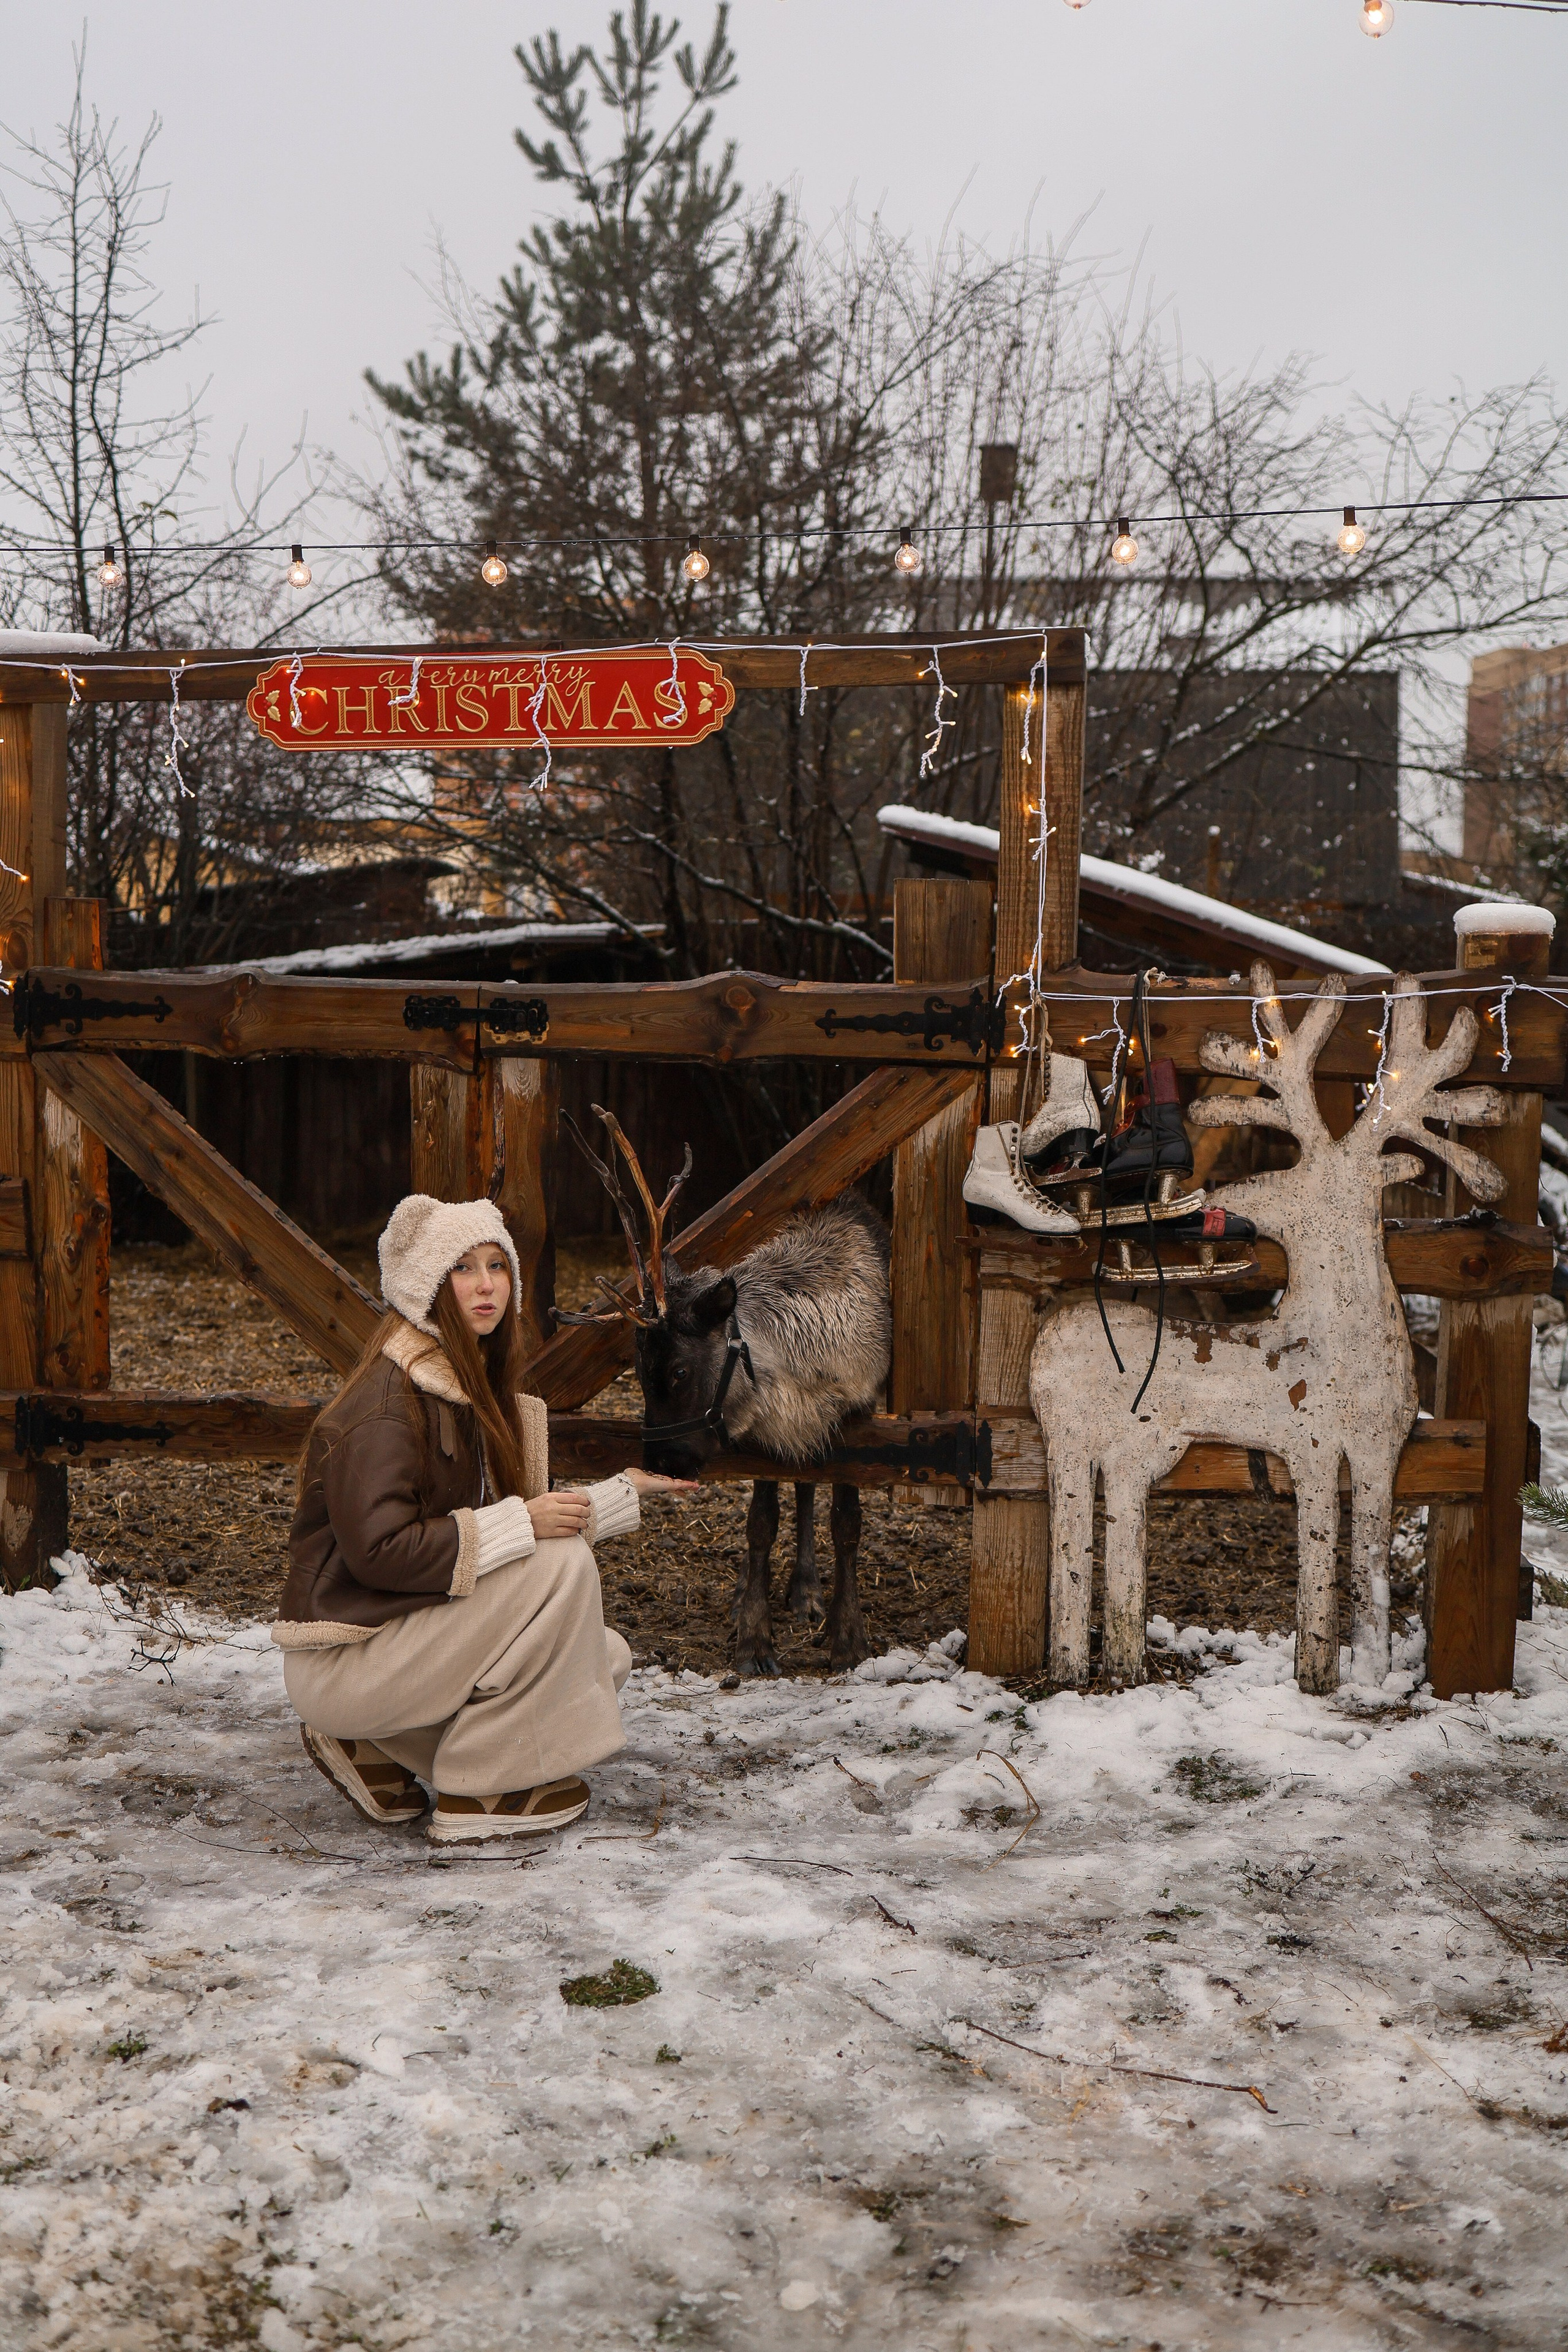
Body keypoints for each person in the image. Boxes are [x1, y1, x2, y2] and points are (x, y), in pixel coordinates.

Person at [273, 1194, 694, 1846]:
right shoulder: (386, 1409)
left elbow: (511, 1536)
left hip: (388, 1644)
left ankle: (374, 1746)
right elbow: (381, 1554)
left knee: (597, 1658)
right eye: (463, 1268)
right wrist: (525, 1522)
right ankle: (484, 1790)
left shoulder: (457, 1387)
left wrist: (618, 1495)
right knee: (562, 1576)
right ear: (427, 1286)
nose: (486, 1285)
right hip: (344, 1660)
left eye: (497, 1266)